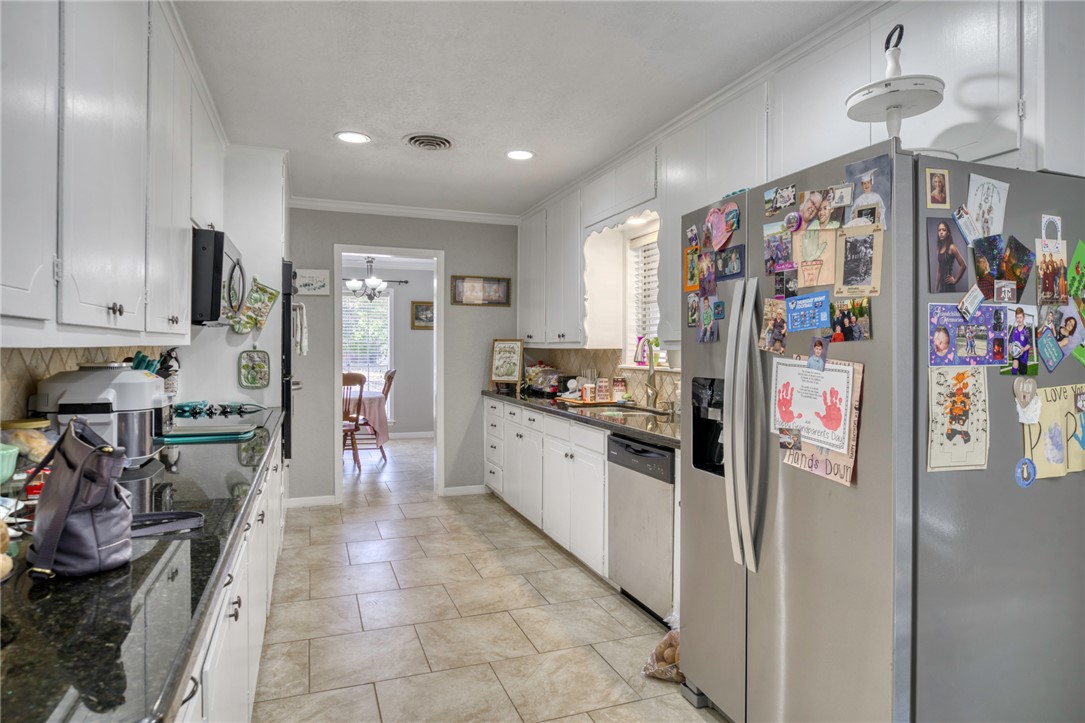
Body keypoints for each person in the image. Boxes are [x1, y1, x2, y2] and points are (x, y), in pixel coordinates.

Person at [934, 221, 966, 293]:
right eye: (939, 230)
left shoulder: (952, 247)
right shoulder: (938, 250)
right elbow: (939, 270)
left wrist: (955, 280)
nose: (941, 232)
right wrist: (935, 289)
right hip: (941, 287)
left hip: (949, 286)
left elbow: (963, 265)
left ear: (948, 233)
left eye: (944, 230)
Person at [1010, 307, 1032, 375]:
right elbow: (1010, 341)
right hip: (1015, 355)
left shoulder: (1026, 330)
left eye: (1020, 317)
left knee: (1023, 374)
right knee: (1015, 364)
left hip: (1024, 357)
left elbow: (1029, 343)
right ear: (1015, 318)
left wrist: (1024, 349)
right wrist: (1010, 347)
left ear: (1023, 317)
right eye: (1017, 317)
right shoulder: (1014, 330)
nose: (1019, 319)